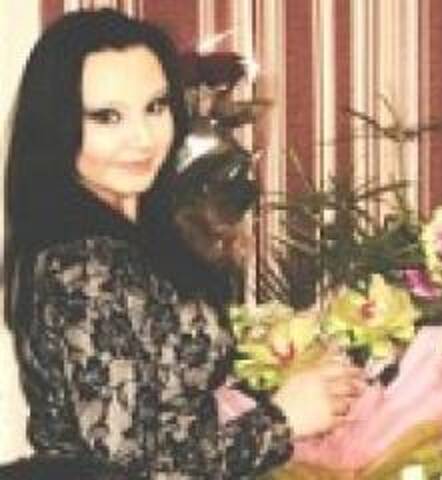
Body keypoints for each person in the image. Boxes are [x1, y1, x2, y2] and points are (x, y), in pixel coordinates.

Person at [4, 8, 363, 479]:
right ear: (57, 127)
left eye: (156, 107)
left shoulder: (135, 235)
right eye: (107, 117)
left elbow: (169, 410)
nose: (142, 138)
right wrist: (282, 419)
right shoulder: (85, 265)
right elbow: (130, 464)